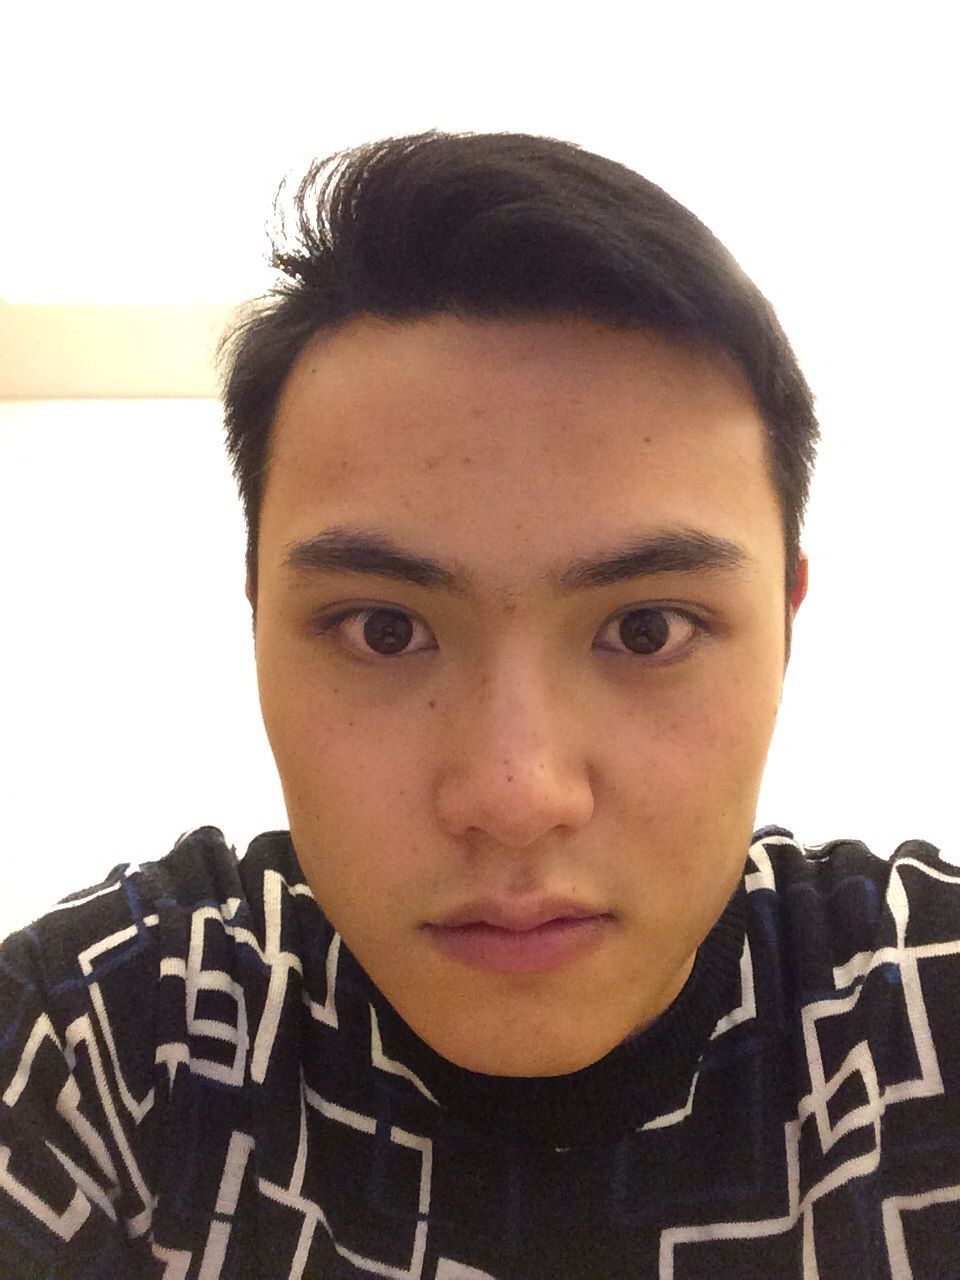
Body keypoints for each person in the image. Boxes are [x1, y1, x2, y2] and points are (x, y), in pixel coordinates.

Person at [0, 129, 953, 1280]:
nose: (515, 795)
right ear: (257, 617)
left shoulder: (930, 1017)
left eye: (646, 628)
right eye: (383, 628)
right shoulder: (99, 1049)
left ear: (786, 623)